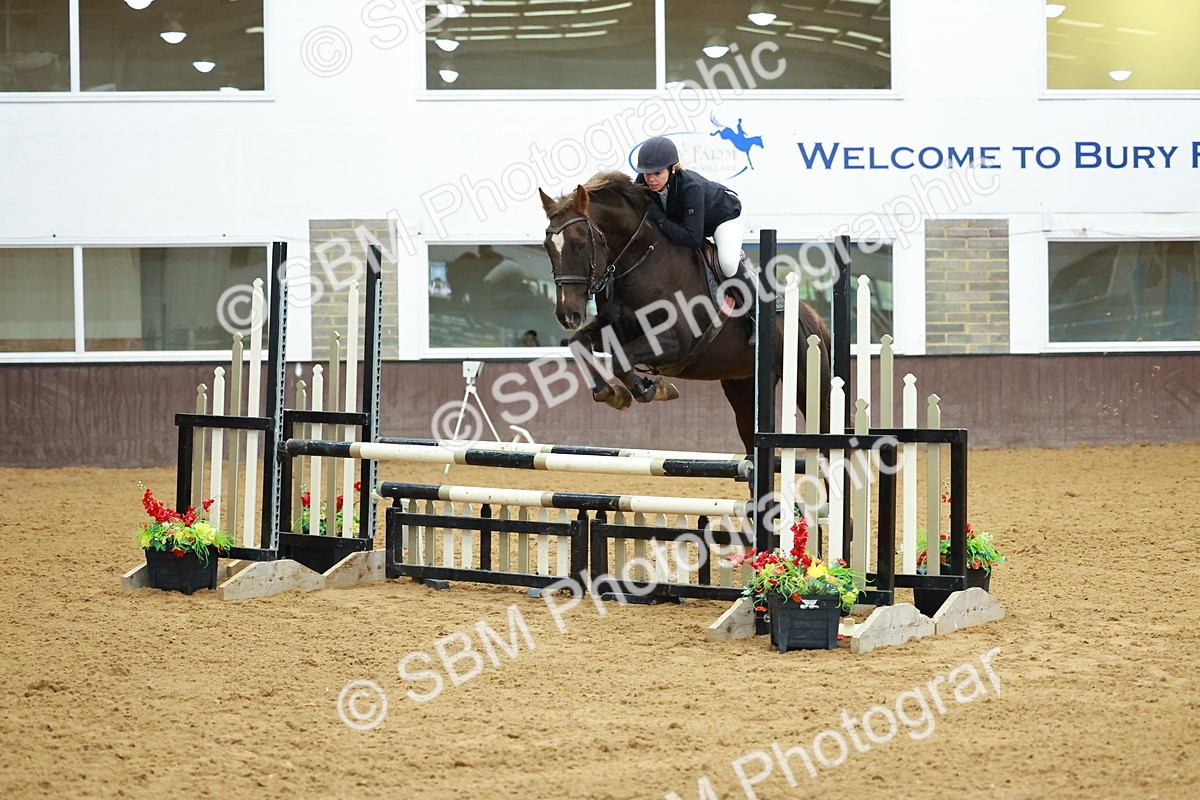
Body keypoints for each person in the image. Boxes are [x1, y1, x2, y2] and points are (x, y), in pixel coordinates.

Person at [634, 135, 755, 342]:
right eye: (647, 174)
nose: (651, 179)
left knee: (727, 263)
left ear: (672, 169)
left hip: (724, 217)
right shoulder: (643, 184)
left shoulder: (691, 187)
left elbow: (692, 238)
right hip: (693, 223)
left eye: (657, 173)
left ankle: (757, 314)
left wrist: (659, 219)